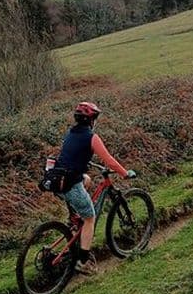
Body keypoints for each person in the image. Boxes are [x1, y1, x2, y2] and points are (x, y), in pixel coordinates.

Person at [54, 101, 136, 275]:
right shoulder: (92, 137)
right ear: (91, 120)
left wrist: (86, 164)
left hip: (58, 181)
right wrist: (124, 173)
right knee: (90, 218)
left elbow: (72, 155)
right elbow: (109, 161)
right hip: (70, 184)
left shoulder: (71, 133)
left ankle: (74, 221)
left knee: (87, 179)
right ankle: (84, 261)